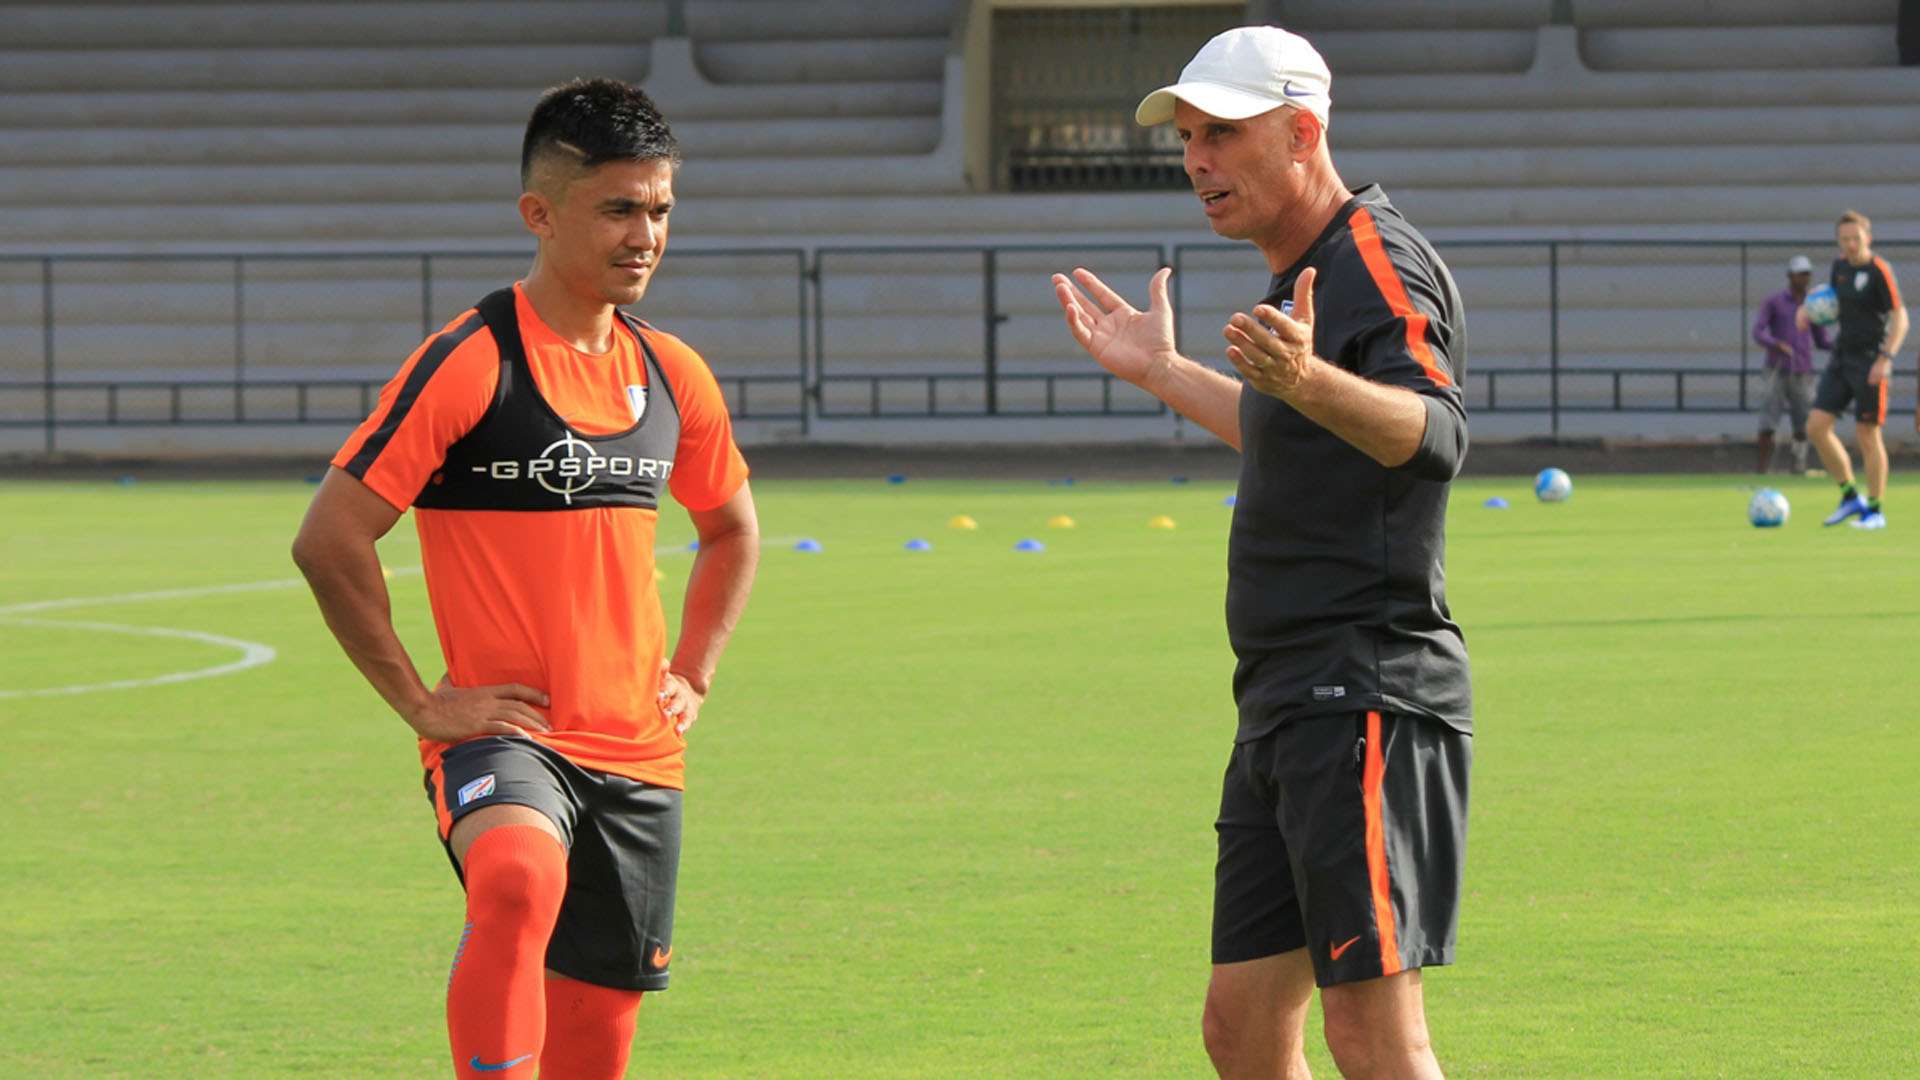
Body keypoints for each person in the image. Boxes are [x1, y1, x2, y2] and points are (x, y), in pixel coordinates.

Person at [291, 78, 759, 1079]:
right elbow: (329, 538)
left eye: (661, 209)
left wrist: (695, 671)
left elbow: (730, 531)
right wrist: (421, 701)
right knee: (511, 876)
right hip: (513, 737)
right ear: (539, 216)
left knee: (597, 1039)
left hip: (639, 754)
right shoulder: (470, 362)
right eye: (619, 209)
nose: (647, 234)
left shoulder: (675, 374)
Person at [1052, 26, 1470, 1080]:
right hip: (1285, 697)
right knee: (1240, 1030)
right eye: (1189, 137)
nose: (1197, 160)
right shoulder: (1298, 284)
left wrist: (1309, 383)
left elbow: (1435, 435)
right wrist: (1167, 372)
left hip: (1365, 687)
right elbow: (1294, 427)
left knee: (1374, 1033)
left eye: (1224, 135)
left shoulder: (1372, 254)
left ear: (1303, 130)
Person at [1799, 209, 1907, 529]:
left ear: (1868, 238)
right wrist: (1808, 312)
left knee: (1867, 433)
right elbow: (1834, 307)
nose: (1850, 245)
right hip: (1842, 358)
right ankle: (1849, 497)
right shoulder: (1839, 268)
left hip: (1871, 361)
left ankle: (1875, 510)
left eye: (1855, 239)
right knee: (1816, 427)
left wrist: (1885, 359)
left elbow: (1901, 318)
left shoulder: (1879, 271)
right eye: (1844, 239)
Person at [1751, 255, 1831, 474]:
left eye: (1807, 274)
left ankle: (1798, 466)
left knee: (1804, 423)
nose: (1803, 278)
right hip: (1776, 370)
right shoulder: (1774, 302)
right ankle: (1762, 468)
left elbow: (1822, 339)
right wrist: (1776, 344)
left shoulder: (1813, 304)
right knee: (1768, 420)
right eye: (1799, 274)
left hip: (1803, 371)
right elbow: (1758, 332)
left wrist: (1841, 345)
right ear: (1790, 275)